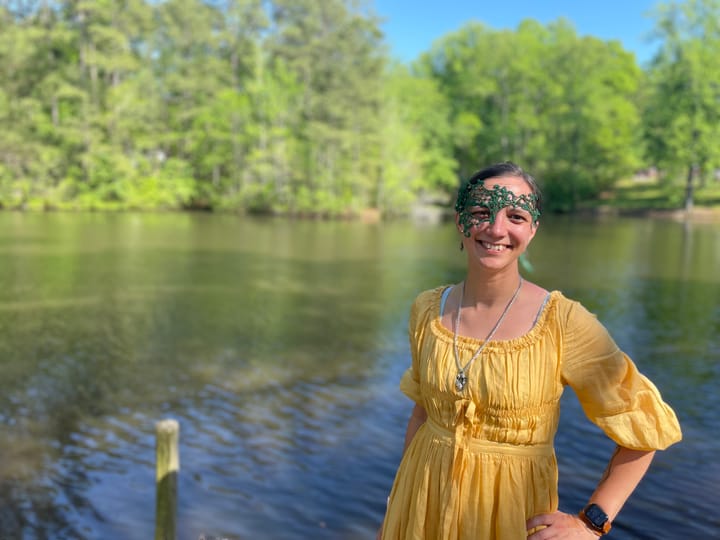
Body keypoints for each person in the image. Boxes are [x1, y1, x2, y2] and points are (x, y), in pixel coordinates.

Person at [377, 162, 682, 539]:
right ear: (460, 221)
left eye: (515, 215)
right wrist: (397, 511)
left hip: (510, 521)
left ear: (533, 228)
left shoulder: (562, 322)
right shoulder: (428, 310)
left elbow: (644, 430)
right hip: (420, 513)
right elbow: (423, 414)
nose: (496, 228)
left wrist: (591, 523)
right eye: (480, 212)